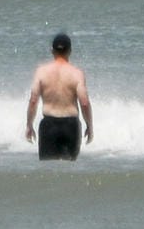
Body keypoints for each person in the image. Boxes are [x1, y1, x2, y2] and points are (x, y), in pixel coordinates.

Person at [25, 32, 93, 161]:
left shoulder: (41, 72)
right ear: (70, 51)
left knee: (48, 172)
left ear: (52, 51)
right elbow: (84, 103)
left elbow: (33, 101)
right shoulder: (77, 73)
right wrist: (89, 126)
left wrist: (29, 125)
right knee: (70, 172)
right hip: (71, 126)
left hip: (48, 126)